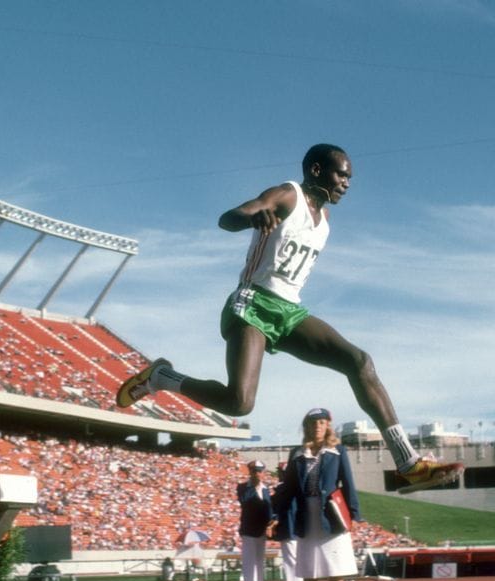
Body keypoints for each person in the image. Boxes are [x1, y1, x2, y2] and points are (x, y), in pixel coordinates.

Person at [116, 143, 462, 494]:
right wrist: (251, 217)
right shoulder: (286, 195)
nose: (347, 183)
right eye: (341, 174)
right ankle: (162, 377)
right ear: (316, 171)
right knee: (240, 402)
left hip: (289, 311)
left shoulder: (324, 220)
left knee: (359, 362)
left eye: (349, 177)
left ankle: (408, 463)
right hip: (252, 304)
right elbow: (228, 218)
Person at [271, 408, 360, 581]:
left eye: (322, 422)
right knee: (309, 569)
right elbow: (288, 487)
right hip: (306, 514)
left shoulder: (337, 450)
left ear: (328, 425)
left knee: (335, 569)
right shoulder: (298, 453)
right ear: (307, 427)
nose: (318, 426)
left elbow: (347, 483)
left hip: (331, 514)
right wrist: (273, 513)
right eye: (313, 423)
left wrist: (355, 513)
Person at [236, 459, 273, 581]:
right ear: (250, 473)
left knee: (259, 563)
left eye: (260, 471)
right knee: (249, 563)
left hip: (262, 530)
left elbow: (269, 508)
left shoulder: (265, 489)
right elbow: (245, 501)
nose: (258, 474)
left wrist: (271, 524)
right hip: (249, 529)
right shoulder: (243, 487)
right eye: (254, 471)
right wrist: (254, 486)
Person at [268, 461, 304, 581]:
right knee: (300, 562)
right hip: (300, 530)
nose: (279, 474)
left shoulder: (283, 488)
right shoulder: (299, 487)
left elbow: (277, 509)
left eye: (281, 472)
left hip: (289, 529)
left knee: (291, 563)